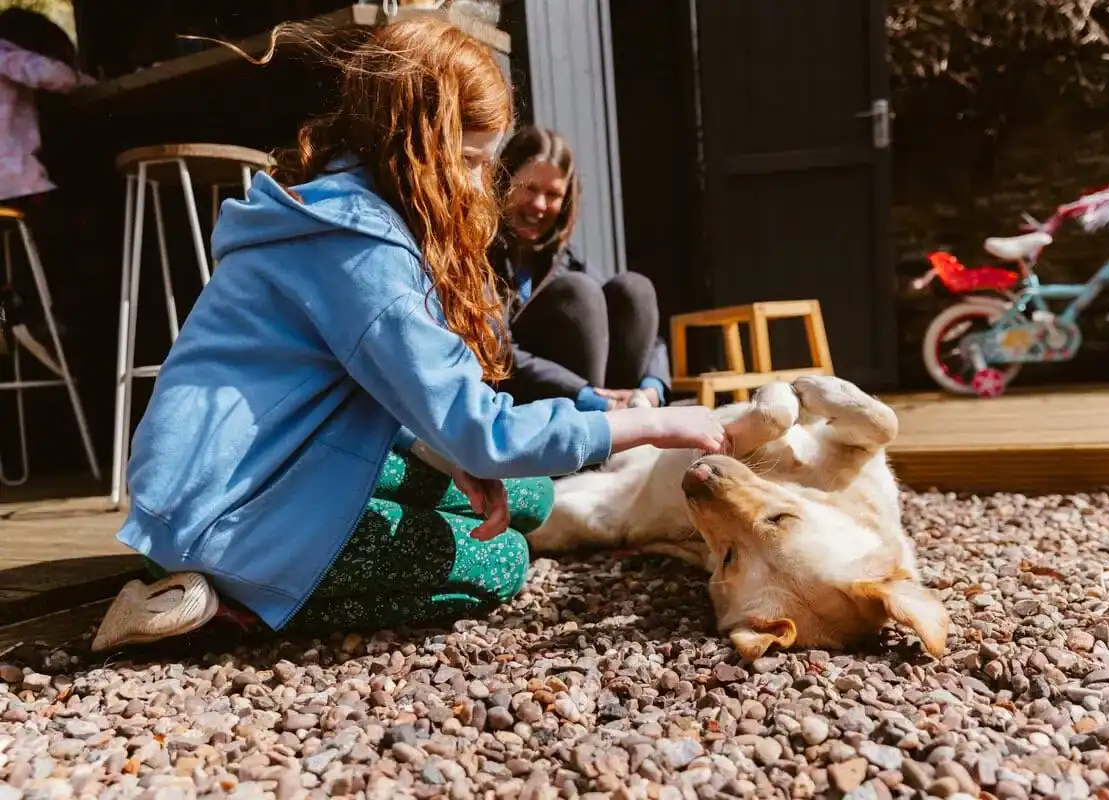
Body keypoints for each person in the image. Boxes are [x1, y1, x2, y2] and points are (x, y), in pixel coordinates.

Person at [92, 17, 726, 651]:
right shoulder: (363, 251)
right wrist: (660, 425)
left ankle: (230, 579)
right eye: (473, 160)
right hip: (227, 518)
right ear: (417, 145)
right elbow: (486, 432)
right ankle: (227, 605)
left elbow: (386, 401)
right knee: (501, 558)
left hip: (240, 471)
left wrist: (450, 455)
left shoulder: (338, 207)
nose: (484, 184)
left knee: (525, 497)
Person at [489, 126, 671, 412]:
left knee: (634, 290)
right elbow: (497, 352)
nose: (539, 204)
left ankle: (628, 421)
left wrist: (653, 388)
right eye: (530, 188)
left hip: (596, 397)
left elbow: (651, 339)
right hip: (519, 398)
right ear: (504, 181)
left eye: (552, 195)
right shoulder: (479, 255)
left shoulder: (565, 259)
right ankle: (594, 432)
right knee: (578, 292)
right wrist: (585, 396)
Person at [0, 8, 92, 370]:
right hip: (14, 184)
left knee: (13, 255)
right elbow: (52, 76)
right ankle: (38, 318)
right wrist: (82, 80)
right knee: (60, 234)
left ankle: (9, 317)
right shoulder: (7, 55)